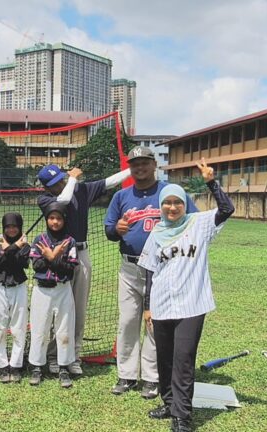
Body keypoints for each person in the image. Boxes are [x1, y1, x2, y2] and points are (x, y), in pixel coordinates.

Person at [139, 159, 234, 432]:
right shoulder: (156, 234)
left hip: (192, 304)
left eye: (177, 202)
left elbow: (227, 209)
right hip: (162, 304)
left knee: (183, 360)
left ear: (184, 204)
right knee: (165, 358)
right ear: (161, 206)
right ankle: (168, 404)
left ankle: (182, 417)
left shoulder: (199, 223)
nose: (172, 207)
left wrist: (210, 182)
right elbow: (149, 272)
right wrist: (147, 307)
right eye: (167, 203)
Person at [104, 146, 198, 398]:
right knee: (127, 321)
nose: (140, 168)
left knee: (155, 323)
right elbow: (109, 230)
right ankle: (126, 374)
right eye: (135, 164)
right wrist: (118, 229)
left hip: (163, 269)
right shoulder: (121, 197)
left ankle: (152, 377)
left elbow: (194, 222)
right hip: (130, 266)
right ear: (130, 168)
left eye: (145, 163)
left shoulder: (169, 192)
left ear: (154, 165)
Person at [37, 164, 130, 376]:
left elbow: (110, 181)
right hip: (58, 254)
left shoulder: (81, 189)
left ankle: (73, 357)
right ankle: (53, 356)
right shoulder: (46, 200)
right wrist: (71, 179)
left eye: (61, 180)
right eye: (54, 184)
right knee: (58, 309)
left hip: (81, 253)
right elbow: (64, 201)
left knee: (79, 309)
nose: (60, 185)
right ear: (46, 188)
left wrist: (132, 169)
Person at [28, 201, 79, 388]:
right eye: (51, 218)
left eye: (58, 218)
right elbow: (37, 265)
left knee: (64, 330)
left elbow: (70, 270)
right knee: (39, 329)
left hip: (63, 289)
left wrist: (51, 257)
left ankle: (64, 367)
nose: (55, 222)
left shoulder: (70, 241)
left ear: (64, 220)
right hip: (42, 290)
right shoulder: (39, 239)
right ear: (47, 219)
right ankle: (36, 367)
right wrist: (52, 257)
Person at [0, 212, 30, 384]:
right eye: (8, 226)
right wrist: (13, 249)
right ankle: (1, 366)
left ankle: (15, 365)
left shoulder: (26, 246)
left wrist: (9, 251)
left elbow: (21, 264)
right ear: (3, 228)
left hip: (19, 287)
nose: (12, 229)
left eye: (15, 226)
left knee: (18, 328)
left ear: (20, 228)